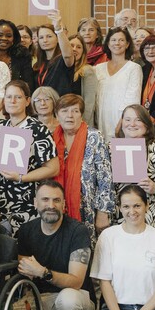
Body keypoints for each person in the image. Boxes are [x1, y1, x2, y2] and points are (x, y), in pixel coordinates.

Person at [16, 180, 96, 310]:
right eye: (45, 199)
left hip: (78, 300)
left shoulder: (77, 231)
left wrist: (43, 272)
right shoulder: (26, 231)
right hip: (42, 299)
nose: (50, 205)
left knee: (68, 298)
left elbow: (76, 281)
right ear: (35, 203)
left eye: (56, 200)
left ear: (63, 204)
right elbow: (25, 273)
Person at [0, 81, 60, 232]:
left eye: (18, 97)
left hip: (25, 204)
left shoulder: (38, 129)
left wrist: (21, 177)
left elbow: (53, 168)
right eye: (8, 97)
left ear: (27, 101)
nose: (12, 101)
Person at [54, 94, 114, 243]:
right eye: (64, 111)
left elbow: (105, 177)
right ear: (56, 115)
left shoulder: (94, 137)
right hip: (57, 207)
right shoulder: (51, 138)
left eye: (75, 111)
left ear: (81, 115)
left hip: (88, 210)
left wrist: (103, 212)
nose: (69, 116)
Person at [94, 27, 142, 140]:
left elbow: (133, 99)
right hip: (102, 119)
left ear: (127, 44)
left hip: (124, 122)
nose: (117, 43)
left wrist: (123, 122)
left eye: (121, 40)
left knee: (123, 155)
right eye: (113, 40)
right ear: (108, 44)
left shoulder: (134, 68)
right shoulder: (98, 69)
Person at [0, 19, 37, 89]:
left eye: (8, 36)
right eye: (0, 35)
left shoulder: (23, 54)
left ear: (14, 38)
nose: (4, 38)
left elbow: (28, 84)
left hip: (14, 97)